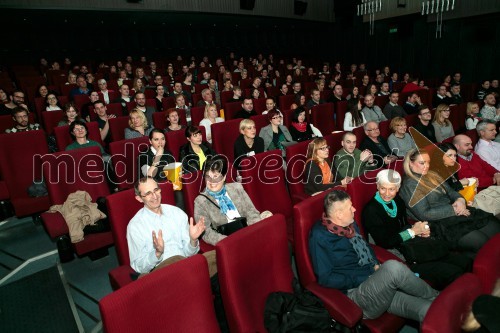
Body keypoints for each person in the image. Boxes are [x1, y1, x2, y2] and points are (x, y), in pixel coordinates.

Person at [309, 190, 439, 322]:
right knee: (394, 268)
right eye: (350, 207)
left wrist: (375, 264)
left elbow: (366, 246)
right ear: (339, 214)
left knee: (429, 311)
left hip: (375, 283)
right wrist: (366, 276)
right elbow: (325, 279)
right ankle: (437, 296)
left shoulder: (350, 225)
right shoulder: (320, 237)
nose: (354, 209)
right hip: (357, 295)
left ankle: (439, 304)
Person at [363, 170, 470, 290]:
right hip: (401, 256)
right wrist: (412, 232)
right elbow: (385, 242)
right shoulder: (371, 211)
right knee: (453, 272)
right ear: (377, 186)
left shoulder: (397, 200)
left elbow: (404, 225)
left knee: (463, 261)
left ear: (398, 188)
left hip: (413, 245)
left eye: (392, 189)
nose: (387, 193)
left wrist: (420, 231)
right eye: (383, 188)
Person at [399, 148, 500, 256]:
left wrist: (460, 200)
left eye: (428, 162)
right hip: (440, 222)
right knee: (481, 242)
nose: (427, 166)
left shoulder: (432, 174)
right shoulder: (410, 185)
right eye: (422, 163)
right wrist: (455, 209)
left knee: (495, 227)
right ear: (410, 163)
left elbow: (451, 192)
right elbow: (425, 213)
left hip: (457, 211)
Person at [126, 177, 206, 274]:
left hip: (185, 262)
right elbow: (138, 266)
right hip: (162, 271)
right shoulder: (135, 226)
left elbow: (190, 253)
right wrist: (157, 253)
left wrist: (193, 240)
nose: (154, 196)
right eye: (148, 193)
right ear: (139, 198)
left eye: (156, 190)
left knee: (218, 257)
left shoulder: (176, 213)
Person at [194, 156, 267, 246]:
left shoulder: (237, 188)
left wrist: (253, 231)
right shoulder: (200, 201)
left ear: (224, 177)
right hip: (227, 242)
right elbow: (206, 232)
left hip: (249, 232)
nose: (212, 181)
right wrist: (229, 242)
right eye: (208, 177)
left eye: (216, 176)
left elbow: (251, 212)